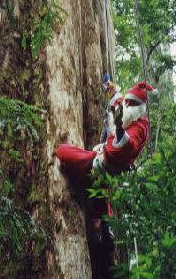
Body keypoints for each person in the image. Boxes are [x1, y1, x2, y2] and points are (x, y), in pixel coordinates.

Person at [56, 81, 154, 278]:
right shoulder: (129, 113)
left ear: (139, 108)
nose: (126, 106)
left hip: (100, 166)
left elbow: (127, 144)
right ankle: (104, 226)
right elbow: (119, 105)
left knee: (63, 152)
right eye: (127, 102)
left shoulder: (140, 127)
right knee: (99, 206)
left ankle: (103, 233)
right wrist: (113, 89)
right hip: (103, 167)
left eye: (130, 104)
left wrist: (118, 130)